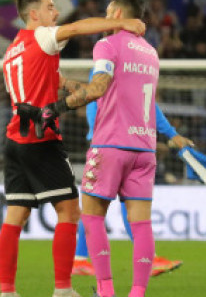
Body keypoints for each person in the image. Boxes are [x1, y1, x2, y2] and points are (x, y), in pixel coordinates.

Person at [0, 0, 145, 297]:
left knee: (15, 215)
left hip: (14, 139)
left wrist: (77, 86)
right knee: (69, 211)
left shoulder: (11, 52)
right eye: (50, 7)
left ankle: (7, 293)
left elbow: (47, 81)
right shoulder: (43, 37)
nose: (56, 13)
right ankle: (62, 291)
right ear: (34, 14)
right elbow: (77, 29)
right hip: (41, 138)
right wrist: (123, 24)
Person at [72, 95, 189, 278]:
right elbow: (93, 93)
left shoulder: (132, 71)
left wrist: (171, 133)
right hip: (108, 143)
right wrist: (96, 132)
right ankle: (82, 261)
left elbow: (149, 104)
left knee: (120, 204)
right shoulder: (112, 67)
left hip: (127, 143)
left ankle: (81, 260)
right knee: (97, 206)